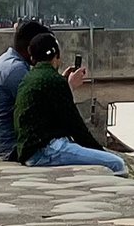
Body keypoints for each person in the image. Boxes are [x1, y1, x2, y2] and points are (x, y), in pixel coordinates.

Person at [12, 33, 122, 174]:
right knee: (116, 163)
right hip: (46, 151)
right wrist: (100, 152)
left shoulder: (29, 78)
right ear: (56, 55)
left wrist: (63, 82)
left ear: (33, 57)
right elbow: (76, 126)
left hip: (28, 152)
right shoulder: (54, 81)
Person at [0, 20, 60, 160]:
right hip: (14, 148)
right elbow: (46, 110)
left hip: (13, 145)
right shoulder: (15, 70)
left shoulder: (11, 62)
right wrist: (68, 87)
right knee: (109, 161)